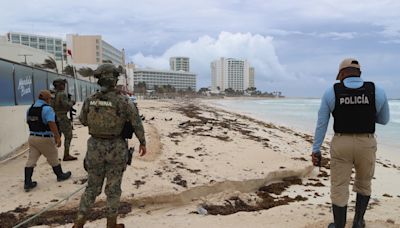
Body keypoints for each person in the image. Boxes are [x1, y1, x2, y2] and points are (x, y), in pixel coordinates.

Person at [311, 58, 390, 228]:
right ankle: (358, 222)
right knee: (364, 182)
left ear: (342, 73)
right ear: (359, 73)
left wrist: (316, 149)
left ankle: (339, 225)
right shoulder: (377, 90)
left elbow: (322, 123)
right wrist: (365, 115)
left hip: (341, 143)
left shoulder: (331, 91)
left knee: (339, 185)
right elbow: (384, 120)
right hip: (366, 143)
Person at [73, 63, 147, 228]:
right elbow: (136, 123)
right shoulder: (124, 100)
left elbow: (83, 120)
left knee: (91, 188)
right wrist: (142, 142)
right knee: (113, 189)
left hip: (94, 147)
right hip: (116, 147)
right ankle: (111, 224)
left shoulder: (90, 100)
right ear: (114, 79)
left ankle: (78, 223)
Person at [24, 90, 72, 192]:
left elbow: (28, 121)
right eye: (50, 98)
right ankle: (60, 175)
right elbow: (51, 123)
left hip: (32, 137)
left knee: (31, 160)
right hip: (45, 138)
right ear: (47, 99)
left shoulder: (30, 109)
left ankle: (27, 182)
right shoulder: (47, 109)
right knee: (53, 157)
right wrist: (57, 137)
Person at [52, 79, 77, 161]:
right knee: (68, 135)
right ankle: (66, 154)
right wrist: (72, 102)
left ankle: (52, 156)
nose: (64, 86)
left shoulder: (52, 94)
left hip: (53, 117)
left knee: (56, 136)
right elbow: (66, 106)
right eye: (63, 84)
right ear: (60, 85)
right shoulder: (62, 94)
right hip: (62, 117)